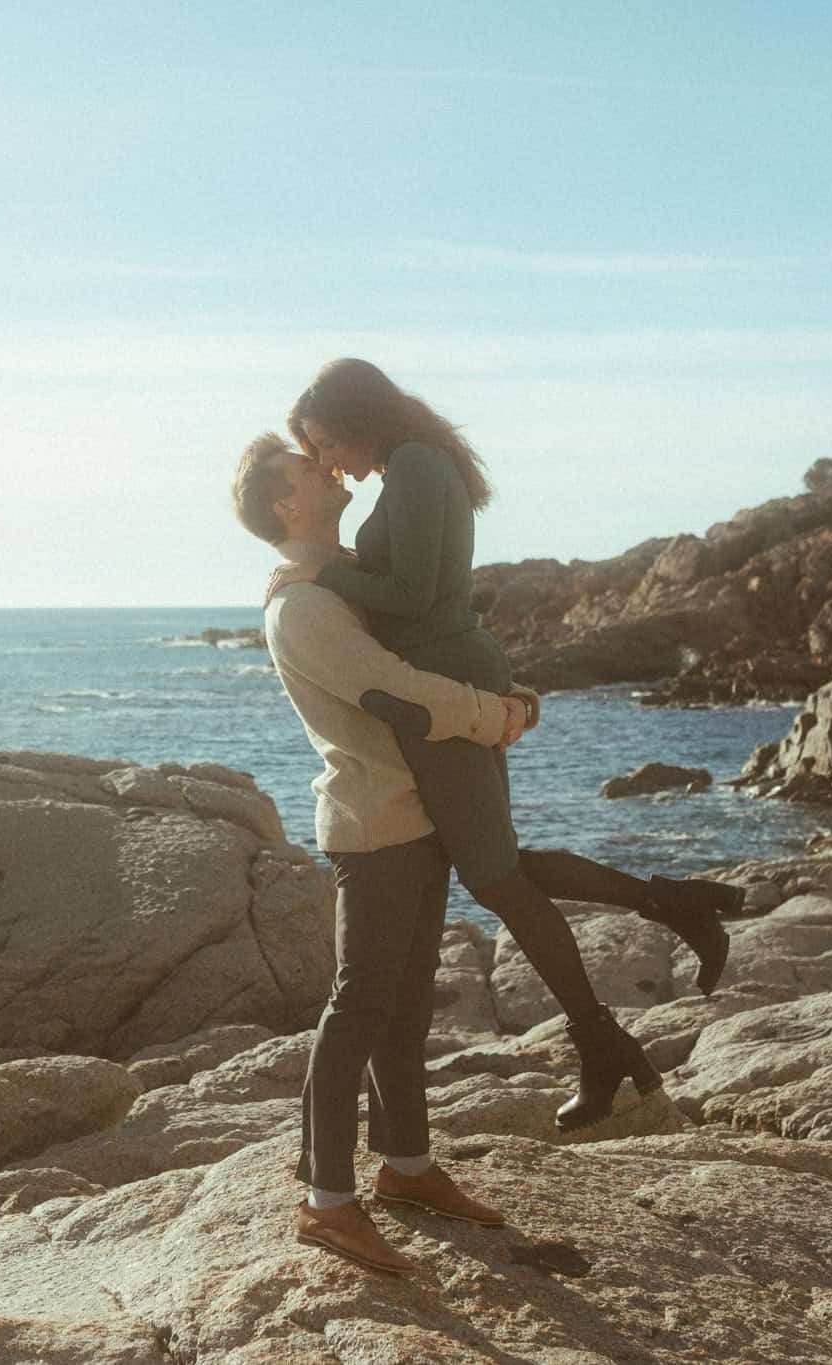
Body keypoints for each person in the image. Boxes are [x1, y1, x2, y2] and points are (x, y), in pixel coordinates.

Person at [266, 359, 748, 1132]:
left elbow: (414, 597)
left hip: (452, 682)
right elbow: (409, 589)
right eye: (312, 452)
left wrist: (321, 569)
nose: (326, 460)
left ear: (357, 415)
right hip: (452, 675)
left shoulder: (418, 467)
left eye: (323, 441)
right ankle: (655, 944)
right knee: (502, 868)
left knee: (497, 875)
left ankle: (624, 1003)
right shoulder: (409, 467)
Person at [232, 431, 519, 1275]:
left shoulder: (337, 575)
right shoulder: (303, 606)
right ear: (286, 505)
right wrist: (490, 711)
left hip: (412, 813)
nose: (325, 468)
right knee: (358, 1006)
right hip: (374, 825)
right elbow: (394, 691)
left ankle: (406, 1166)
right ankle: (326, 1202)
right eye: (305, 469)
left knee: (405, 1004)